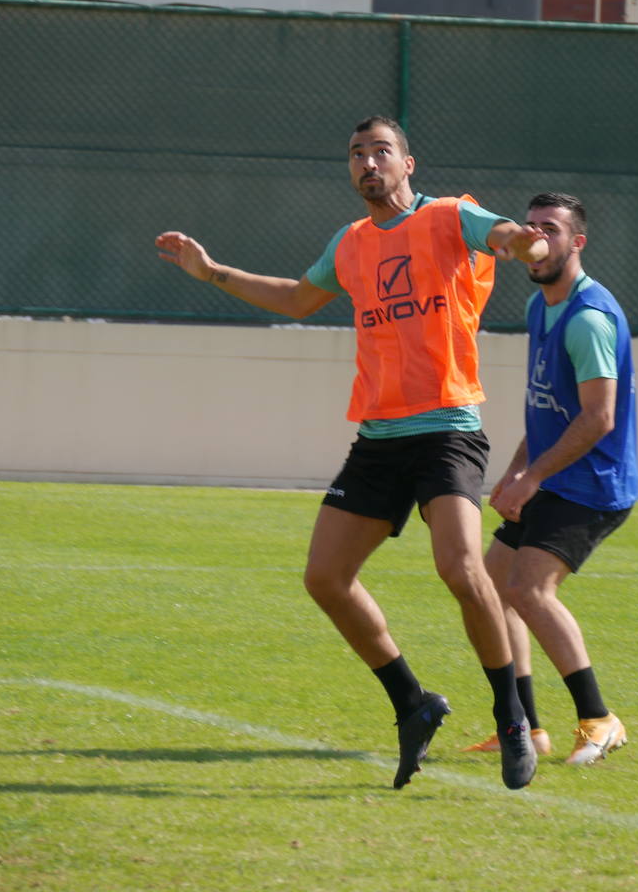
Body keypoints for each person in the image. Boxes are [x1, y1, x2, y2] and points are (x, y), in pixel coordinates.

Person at [154, 116, 549, 790]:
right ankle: (412, 702)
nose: (369, 163)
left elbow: (501, 232)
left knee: (459, 567)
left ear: (408, 164)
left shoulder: (452, 218)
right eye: (357, 154)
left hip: (447, 429)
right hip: (378, 438)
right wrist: (212, 271)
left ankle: (513, 717)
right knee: (324, 578)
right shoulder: (351, 243)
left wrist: (520, 240)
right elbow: (300, 298)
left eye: (381, 152)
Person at [461, 192, 638, 765]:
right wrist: (515, 470)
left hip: (592, 484)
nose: (537, 239)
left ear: (576, 243)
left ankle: (599, 719)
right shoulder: (543, 307)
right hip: (554, 474)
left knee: (528, 589)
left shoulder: (588, 318)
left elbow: (598, 418)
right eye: (531, 227)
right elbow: (549, 408)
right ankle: (526, 727)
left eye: (551, 230)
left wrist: (532, 476)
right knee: (493, 585)